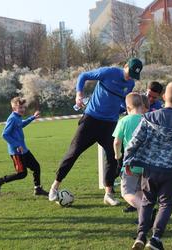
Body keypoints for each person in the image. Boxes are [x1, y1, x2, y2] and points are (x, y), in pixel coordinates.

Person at [48, 58, 143, 206]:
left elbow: (120, 103)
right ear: (125, 66)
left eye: (133, 75)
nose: (130, 77)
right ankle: (54, 187)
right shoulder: (108, 72)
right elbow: (83, 76)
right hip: (91, 120)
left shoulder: (130, 83)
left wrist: (123, 110)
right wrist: (79, 94)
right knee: (73, 152)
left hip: (110, 123)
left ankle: (109, 193)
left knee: (114, 157)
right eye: (129, 73)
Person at [123, 81, 172, 250]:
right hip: (169, 170)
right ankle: (155, 238)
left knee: (147, 201)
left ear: (164, 96)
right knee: (165, 204)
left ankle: (140, 235)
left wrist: (127, 161)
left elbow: (134, 142)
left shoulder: (149, 117)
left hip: (149, 170)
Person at [0, 97, 48, 197]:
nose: (22, 109)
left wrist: (33, 117)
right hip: (16, 152)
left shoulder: (17, 117)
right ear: (14, 108)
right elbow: (5, 134)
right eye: (20, 107)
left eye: (23, 107)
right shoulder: (12, 118)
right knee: (22, 174)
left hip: (24, 150)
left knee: (36, 167)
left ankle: (38, 189)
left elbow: (21, 124)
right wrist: (16, 145)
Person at [113, 92, 144, 216]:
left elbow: (117, 142)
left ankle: (145, 210)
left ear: (127, 108)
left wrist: (117, 155)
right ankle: (143, 218)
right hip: (147, 163)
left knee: (126, 193)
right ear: (142, 105)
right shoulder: (147, 119)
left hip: (130, 164)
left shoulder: (124, 121)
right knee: (139, 191)